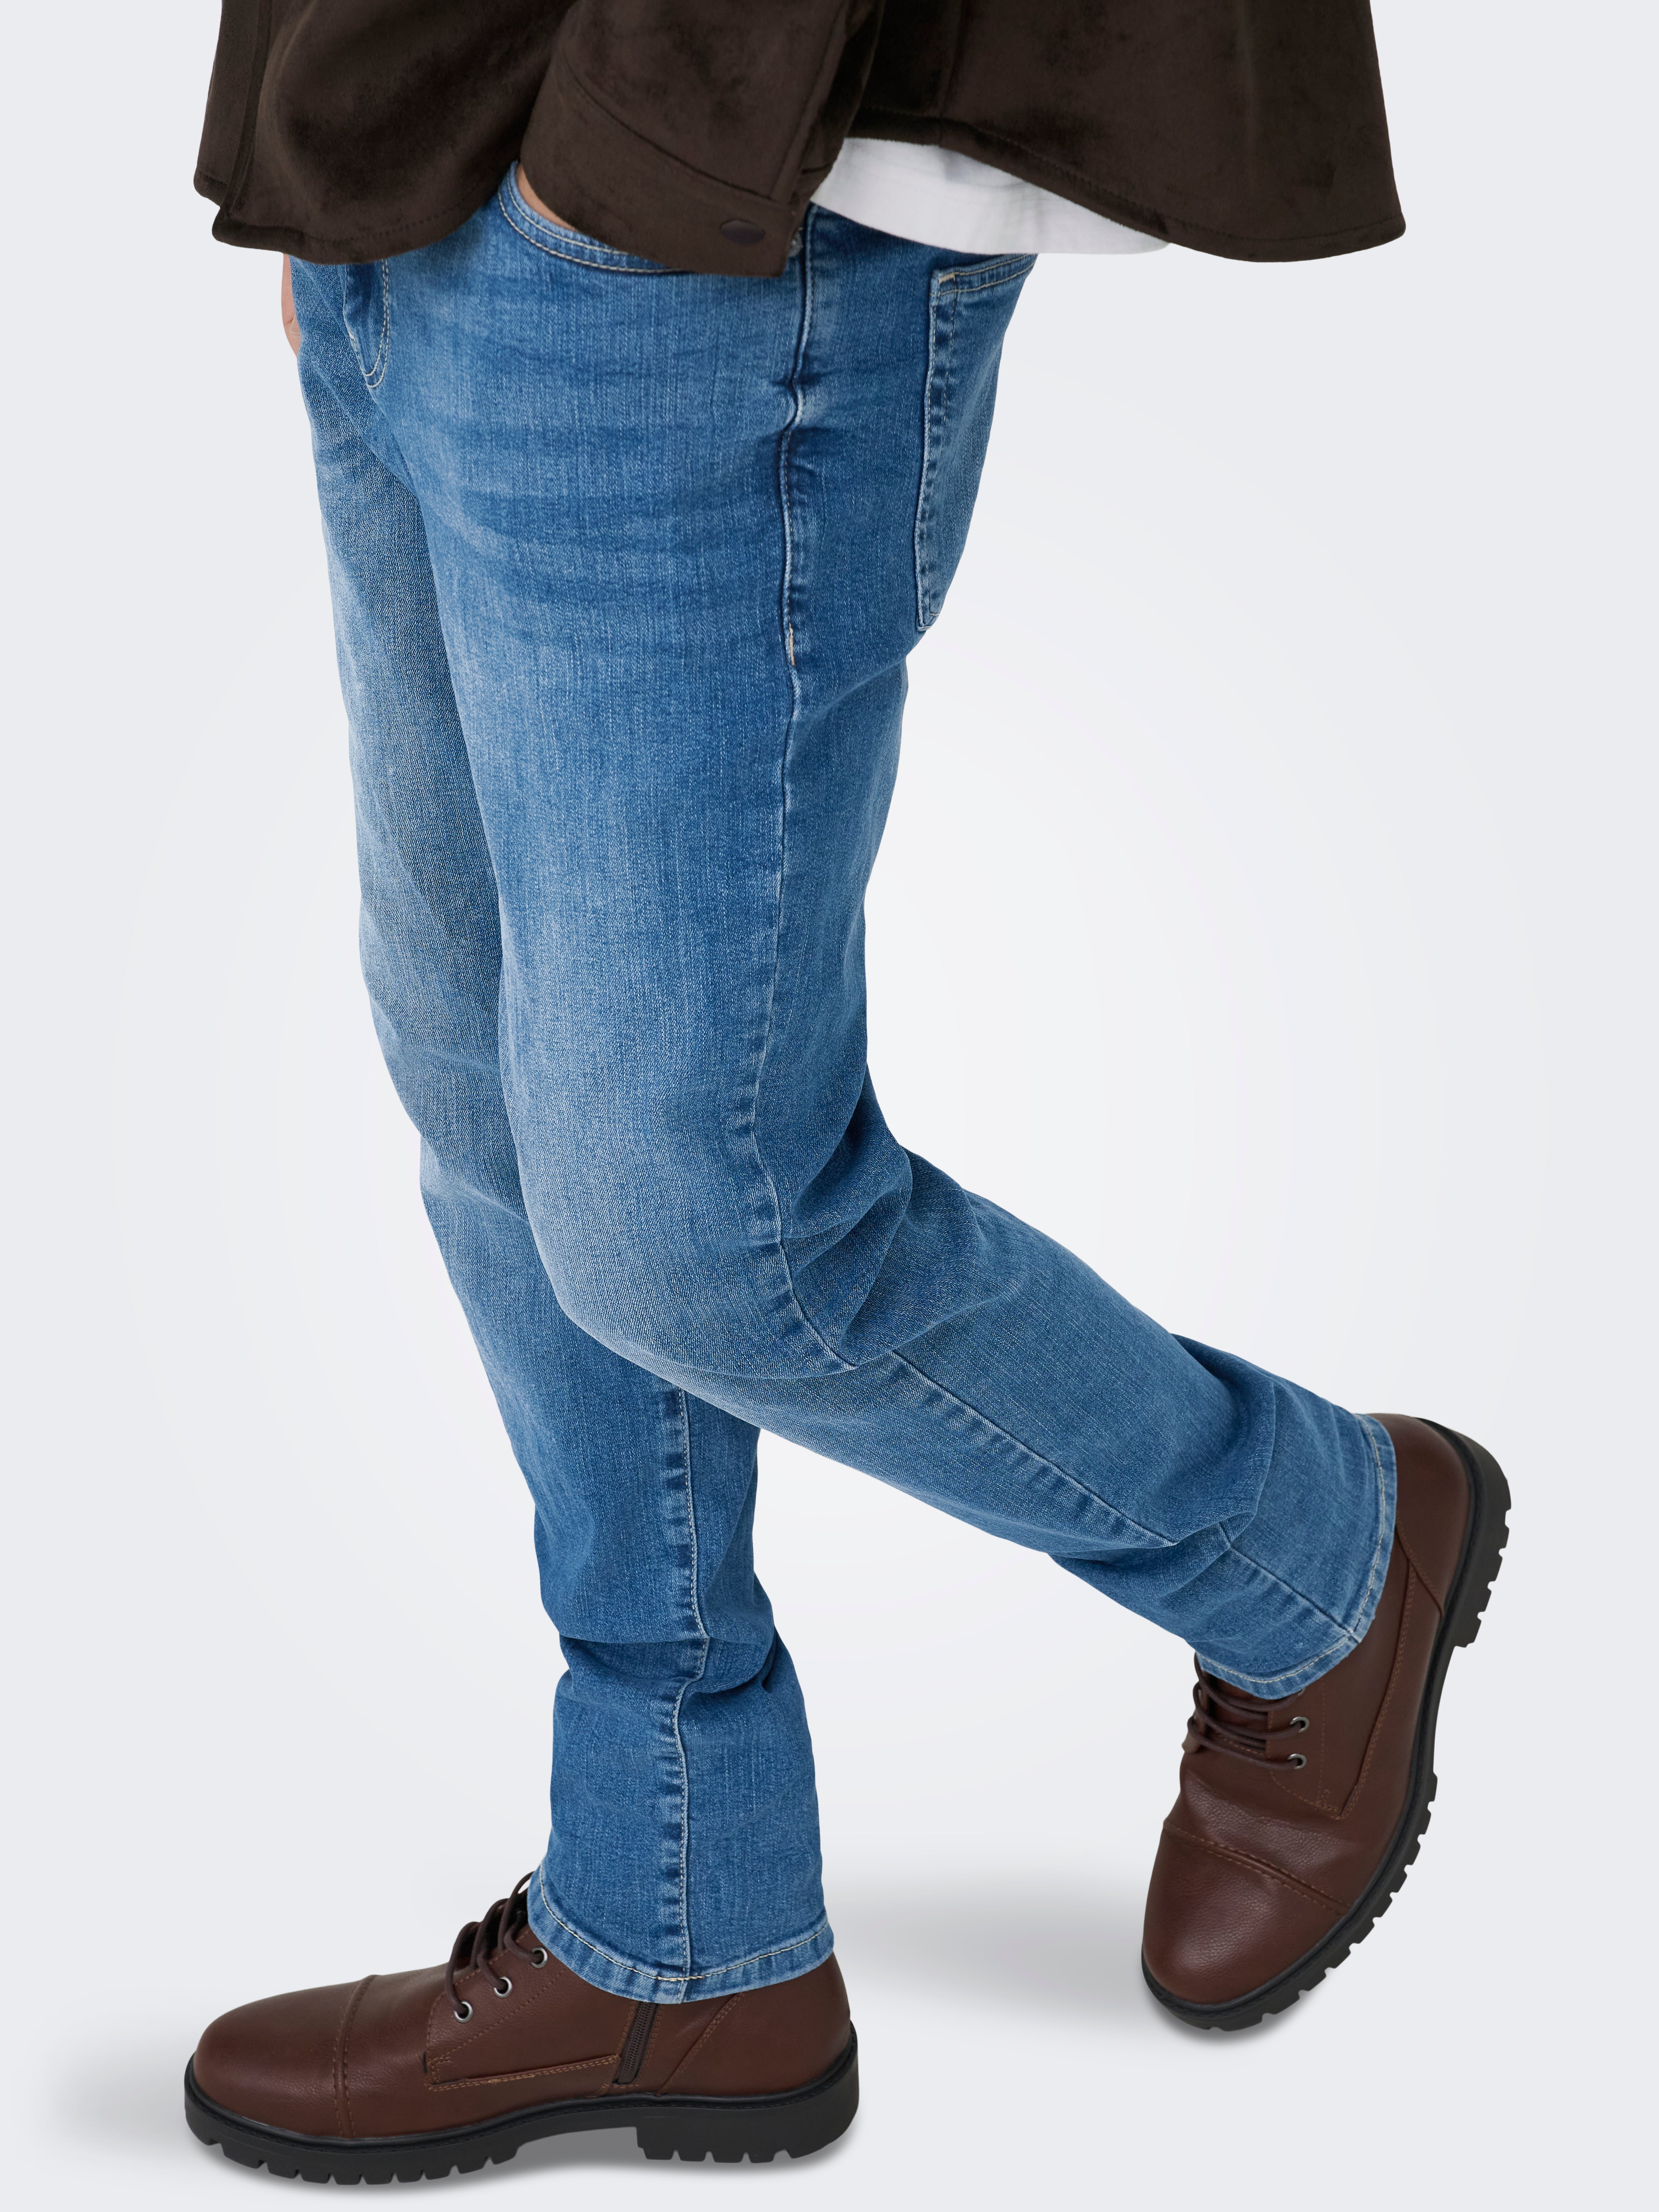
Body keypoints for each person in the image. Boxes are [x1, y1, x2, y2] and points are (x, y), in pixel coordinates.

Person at [184, 2, 1509, 2181]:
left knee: (703, 1217)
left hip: (708, 176)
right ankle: (681, 1918)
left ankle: (1311, 1550)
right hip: (402, 136)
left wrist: (644, 144)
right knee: (489, 1087)